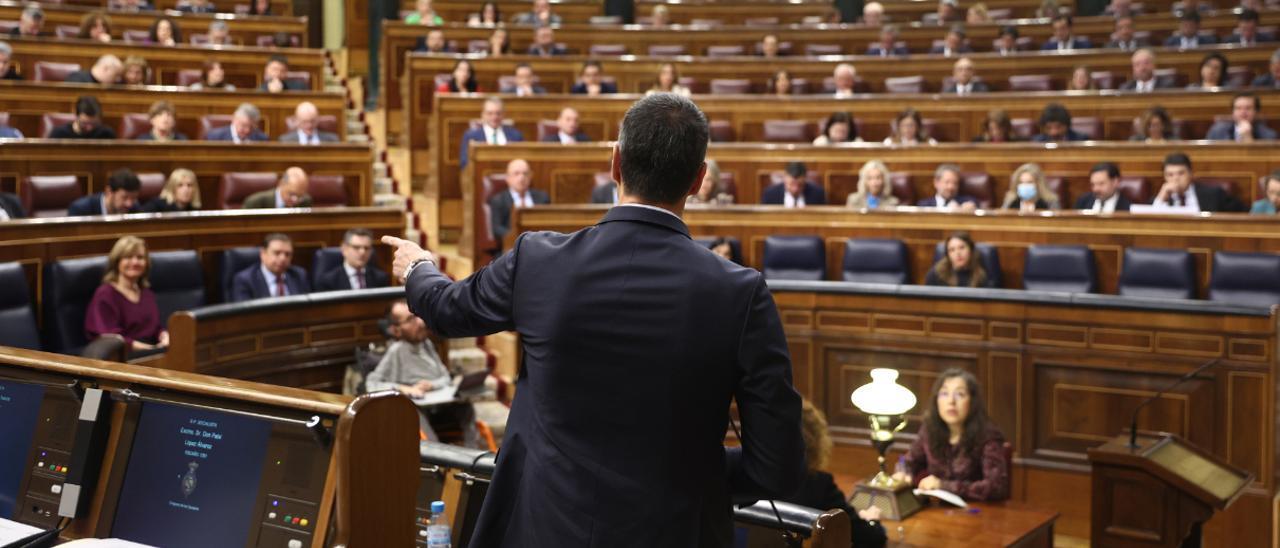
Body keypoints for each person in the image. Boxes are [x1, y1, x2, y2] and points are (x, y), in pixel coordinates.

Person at [381, 93, 805, 546]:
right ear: (699, 180)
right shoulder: (741, 293)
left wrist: (416, 266)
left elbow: (446, 309)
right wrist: (688, 471)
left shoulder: (538, 260)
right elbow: (775, 466)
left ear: (615, 164)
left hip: (543, 528)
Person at [368, 299, 480, 446]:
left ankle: (472, 459)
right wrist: (405, 389)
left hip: (439, 404)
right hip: (418, 409)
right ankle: (438, 460)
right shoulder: (396, 351)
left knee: (466, 408)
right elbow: (372, 383)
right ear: (396, 330)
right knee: (414, 413)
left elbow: (445, 377)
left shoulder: (426, 344)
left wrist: (431, 385)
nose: (420, 323)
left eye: (417, 316)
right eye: (410, 320)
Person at [783, 399, 888, 548]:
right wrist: (873, 521)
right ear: (813, 441)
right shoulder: (818, 485)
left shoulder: (747, 479)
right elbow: (872, 538)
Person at [894, 368, 1010, 501]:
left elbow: (996, 487)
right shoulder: (929, 429)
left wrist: (943, 486)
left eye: (959, 394)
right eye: (944, 393)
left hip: (978, 513)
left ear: (972, 401)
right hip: (937, 512)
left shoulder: (988, 435)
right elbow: (909, 461)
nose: (951, 401)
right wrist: (903, 473)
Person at [85, 236, 168, 354]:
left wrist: (164, 335)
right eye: (128, 257)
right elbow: (111, 339)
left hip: (152, 353)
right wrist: (150, 350)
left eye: (140, 257)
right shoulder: (105, 294)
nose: (135, 262)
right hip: (120, 357)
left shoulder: (146, 293)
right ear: (117, 261)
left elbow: (155, 328)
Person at [1152, 152, 1245, 212]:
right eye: (1170, 175)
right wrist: (1161, 198)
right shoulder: (1159, 200)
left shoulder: (1214, 194)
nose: (1175, 179)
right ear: (1164, 177)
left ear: (1191, 174)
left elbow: (1242, 213)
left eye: (1181, 173)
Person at [230, 233, 311, 301]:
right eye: (277, 253)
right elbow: (245, 315)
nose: (283, 258)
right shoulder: (245, 280)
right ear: (263, 254)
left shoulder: (299, 275)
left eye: (287, 254)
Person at [488, 158, 549, 246]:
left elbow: (548, 223)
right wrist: (519, 238)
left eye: (525, 173)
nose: (521, 177)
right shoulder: (499, 200)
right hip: (512, 247)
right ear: (507, 178)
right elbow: (497, 229)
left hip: (540, 244)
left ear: (531, 176)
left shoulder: (542, 197)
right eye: (516, 173)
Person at [316, 228, 391, 291]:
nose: (362, 252)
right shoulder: (328, 281)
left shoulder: (381, 278)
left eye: (366, 248)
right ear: (344, 248)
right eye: (356, 247)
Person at [459, 97, 524, 168]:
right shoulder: (471, 136)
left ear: (503, 114)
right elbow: (464, 163)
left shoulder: (515, 135)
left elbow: (522, 161)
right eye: (490, 113)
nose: (494, 117)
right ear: (483, 115)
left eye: (498, 113)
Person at [925, 232, 993, 287]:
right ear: (948, 255)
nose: (957, 253)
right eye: (952, 250)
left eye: (961, 247)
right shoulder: (936, 274)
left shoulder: (982, 274)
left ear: (971, 249)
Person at [1205, 93, 1277, 141]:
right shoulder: (1216, 131)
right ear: (1233, 112)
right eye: (1238, 108)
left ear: (1256, 112)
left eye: (1248, 108)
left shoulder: (1269, 136)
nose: (1243, 112)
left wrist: (1248, 138)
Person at [69, 169, 141, 216]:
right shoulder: (80, 210)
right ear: (109, 191)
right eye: (124, 197)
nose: (129, 204)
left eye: (133, 198)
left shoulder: (134, 208)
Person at [50, 96, 117, 139]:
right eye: (84, 123)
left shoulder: (106, 134)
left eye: (94, 123)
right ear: (76, 115)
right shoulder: (60, 134)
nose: (89, 128)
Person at [243, 167, 312, 208]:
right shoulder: (255, 202)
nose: (295, 200)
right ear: (281, 184)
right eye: (292, 194)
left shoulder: (305, 201)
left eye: (300, 196)